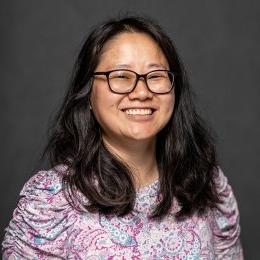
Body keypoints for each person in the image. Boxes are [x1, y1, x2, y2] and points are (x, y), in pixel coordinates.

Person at [2, 16, 243, 259]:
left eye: (155, 76)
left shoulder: (207, 183)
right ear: (88, 95)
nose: (141, 92)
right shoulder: (51, 200)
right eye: (121, 76)